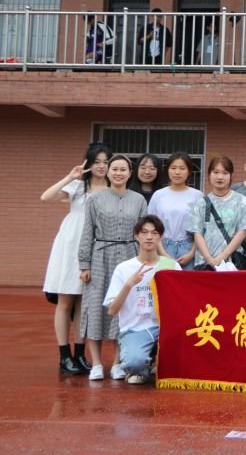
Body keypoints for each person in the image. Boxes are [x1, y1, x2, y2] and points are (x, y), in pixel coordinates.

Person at [41, 142, 111, 375]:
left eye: (106, 162)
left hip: (95, 247)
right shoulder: (78, 186)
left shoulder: (111, 189)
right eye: (97, 162)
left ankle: (80, 354)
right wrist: (70, 177)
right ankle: (64, 356)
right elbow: (46, 197)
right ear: (89, 163)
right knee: (66, 300)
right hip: (71, 245)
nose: (101, 166)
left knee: (84, 302)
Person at [78, 155, 149, 381]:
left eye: (123, 169)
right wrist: (84, 264)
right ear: (108, 172)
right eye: (115, 169)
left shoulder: (138, 200)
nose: (119, 173)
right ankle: (97, 364)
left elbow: (144, 232)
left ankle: (118, 362)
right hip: (100, 257)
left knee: (124, 308)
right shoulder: (95, 200)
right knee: (95, 308)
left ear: (130, 173)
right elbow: (87, 231)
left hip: (128, 256)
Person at [103, 215, 180, 384]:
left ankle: (157, 361)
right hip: (135, 329)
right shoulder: (123, 269)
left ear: (160, 237)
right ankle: (143, 367)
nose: (149, 237)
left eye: (154, 233)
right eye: (144, 233)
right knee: (134, 363)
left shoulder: (171, 266)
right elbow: (112, 311)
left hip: (165, 328)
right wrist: (128, 285)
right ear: (137, 236)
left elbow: (181, 303)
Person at [186, 156, 246, 270]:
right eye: (215, 172)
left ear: (231, 175)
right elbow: (197, 233)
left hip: (231, 262)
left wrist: (222, 256)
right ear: (209, 174)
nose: (220, 177)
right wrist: (209, 259)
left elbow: (243, 231)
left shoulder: (241, 200)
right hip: (205, 263)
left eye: (225, 173)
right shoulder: (201, 203)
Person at [147, 153, 203, 270]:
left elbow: (202, 228)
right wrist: (163, 253)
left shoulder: (198, 196)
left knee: (187, 282)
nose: (177, 172)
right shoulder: (158, 195)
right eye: (173, 168)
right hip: (163, 248)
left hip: (188, 248)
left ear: (189, 171)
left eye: (182, 168)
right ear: (167, 170)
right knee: (164, 281)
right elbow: (152, 227)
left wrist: (191, 253)